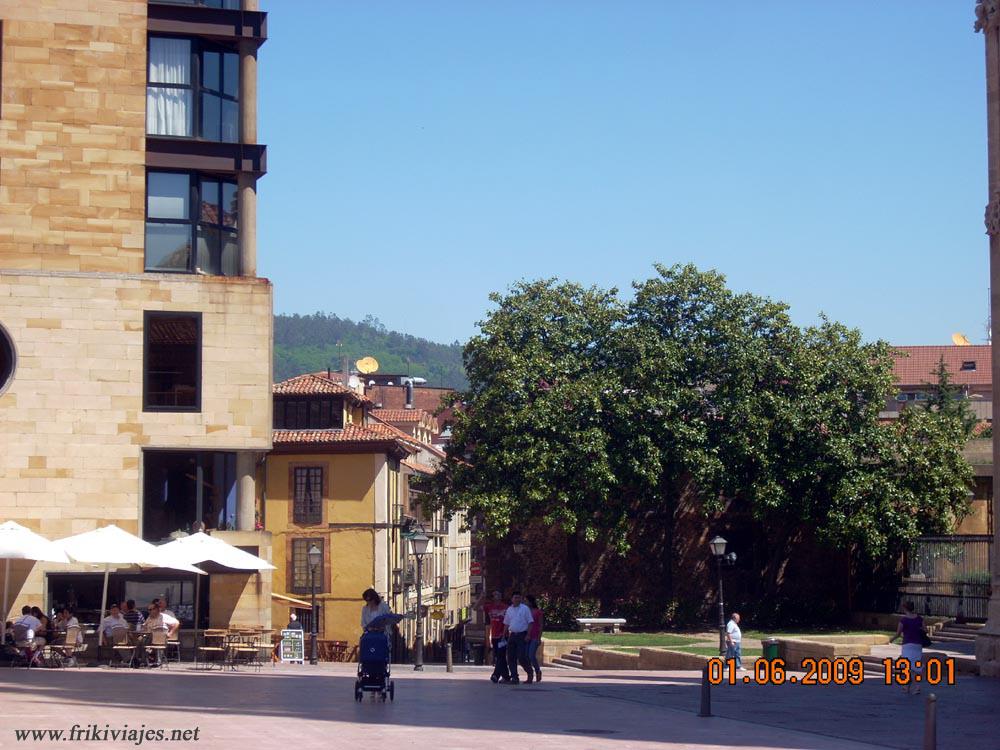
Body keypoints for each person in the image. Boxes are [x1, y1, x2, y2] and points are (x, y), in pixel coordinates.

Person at [890, 601, 924, 695]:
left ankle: (912, 687)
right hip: (918, 645)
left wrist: (890, 640)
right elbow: (924, 630)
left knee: (907, 666)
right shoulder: (920, 619)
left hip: (907, 645)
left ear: (905, 608)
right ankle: (910, 687)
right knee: (914, 666)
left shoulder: (903, 620)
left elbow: (898, 634)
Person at [503, 591, 534, 684]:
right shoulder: (509, 609)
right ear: (512, 599)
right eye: (515, 597)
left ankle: (530, 672)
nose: (517, 599)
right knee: (511, 657)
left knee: (521, 657)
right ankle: (514, 677)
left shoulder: (525, 609)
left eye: (518, 597)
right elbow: (506, 623)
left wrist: (528, 635)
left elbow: (530, 622)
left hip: (522, 635)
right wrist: (504, 634)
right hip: (512, 635)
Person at [481, 590, 510, 683]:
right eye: (494, 595)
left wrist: (505, 633)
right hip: (494, 635)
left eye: (497, 594)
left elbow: (508, 621)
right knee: (499, 656)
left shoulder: (506, 607)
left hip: (503, 635)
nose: (495, 596)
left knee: (501, 655)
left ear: (501, 596)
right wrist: (482, 597)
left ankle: (495, 675)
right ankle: (506, 677)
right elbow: (475, 608)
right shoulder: (489, 607)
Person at [525, 594, 544, 683]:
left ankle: (537, 671)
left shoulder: (538, 612)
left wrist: (539, 637)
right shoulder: (525, 612)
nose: (525, 603)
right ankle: (530, 674)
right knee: (525, 656)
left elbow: (540, 625)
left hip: (535, 636)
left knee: (531, 655)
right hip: (526, 636)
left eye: (526, 601)